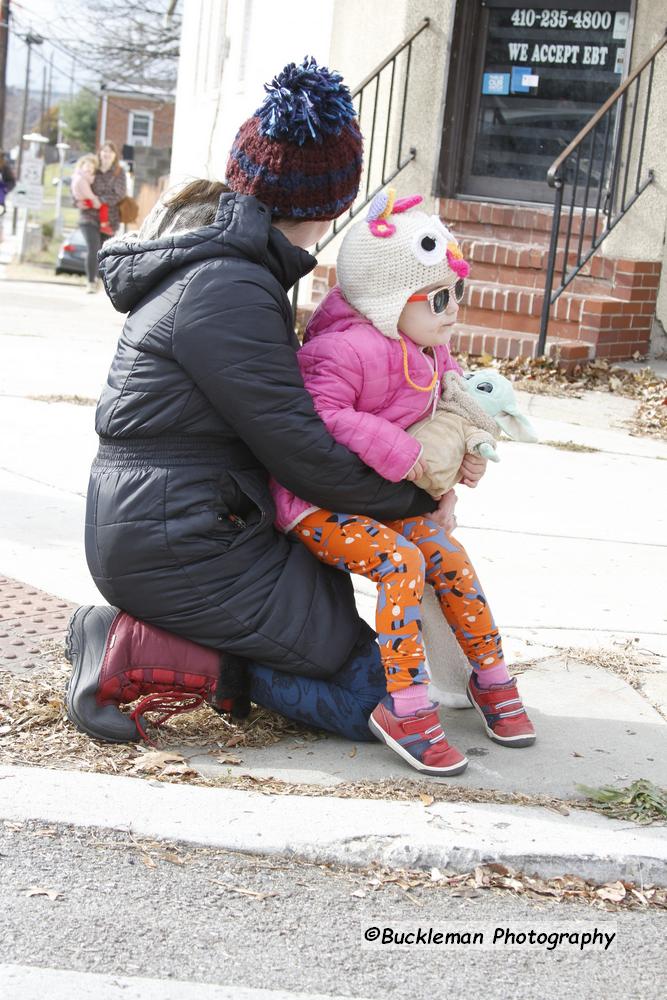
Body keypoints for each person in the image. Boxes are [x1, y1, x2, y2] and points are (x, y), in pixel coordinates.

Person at [64, 58, 466, 749]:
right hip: (179, 538)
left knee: (398, 679)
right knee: (383, 698)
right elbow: (300, 449)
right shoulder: (232, 288)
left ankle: (175, 644)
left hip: (197, 519)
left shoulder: (237, 272)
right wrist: (415, 501)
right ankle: (128, 646)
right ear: (335, 199)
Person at [269, 189, 536, 776]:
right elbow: (325, 416)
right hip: (316, 506)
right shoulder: (341, 349)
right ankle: (407, 708)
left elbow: (455, 406)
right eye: (437, 297)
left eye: (457, 293)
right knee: (401, 562)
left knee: (446, 553)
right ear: (390, 300)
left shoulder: (430, 349)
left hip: (382, 498)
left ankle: (491, 679)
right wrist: (409, 455)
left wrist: (460, 467)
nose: (452, 310)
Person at [77, 140, 126, 293]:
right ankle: (91, 282)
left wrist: (100, 200)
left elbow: (119, 193)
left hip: (109, 218)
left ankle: (100, 278)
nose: (106, 154)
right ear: (99, 153)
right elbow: (77, 185)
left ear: (114, 156)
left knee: (103, 251)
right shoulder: (92, 169)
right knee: (93, 247)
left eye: (110, 152)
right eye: (104, 151)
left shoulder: (119, 172)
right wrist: (78, 201)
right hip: (89, 216)